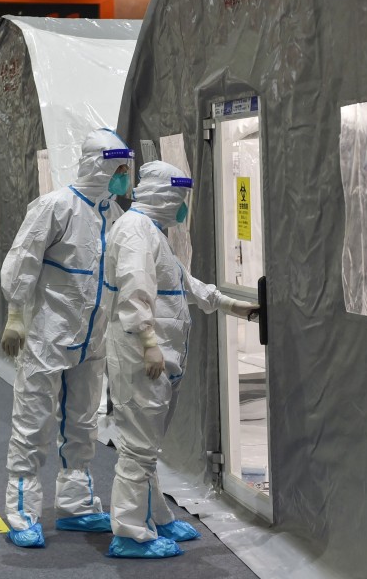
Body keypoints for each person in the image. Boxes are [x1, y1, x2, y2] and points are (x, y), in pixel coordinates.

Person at [103, 161, 256, 559]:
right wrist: (149, 340)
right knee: (138, 448)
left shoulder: (151, 232)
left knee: (147, 445)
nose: (182, 208)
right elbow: (135, 291)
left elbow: (180, 282)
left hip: (156, 357)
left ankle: (155, 514)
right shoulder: (137, 233)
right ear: (164, 196)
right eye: (179, 199)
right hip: (143, 356)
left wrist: (231, 304)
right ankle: (130, 532)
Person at [0, 129, 134, 548]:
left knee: (82, 423)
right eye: (119, 169)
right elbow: (22, 261)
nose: (123, 177)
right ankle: (22, 510)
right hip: (47, 337)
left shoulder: (112, 214)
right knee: (33, 424)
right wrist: (17, 315)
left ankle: (76, 505)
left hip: (91, 343)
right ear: (99, 165)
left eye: (126, 170)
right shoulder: (56, 207)